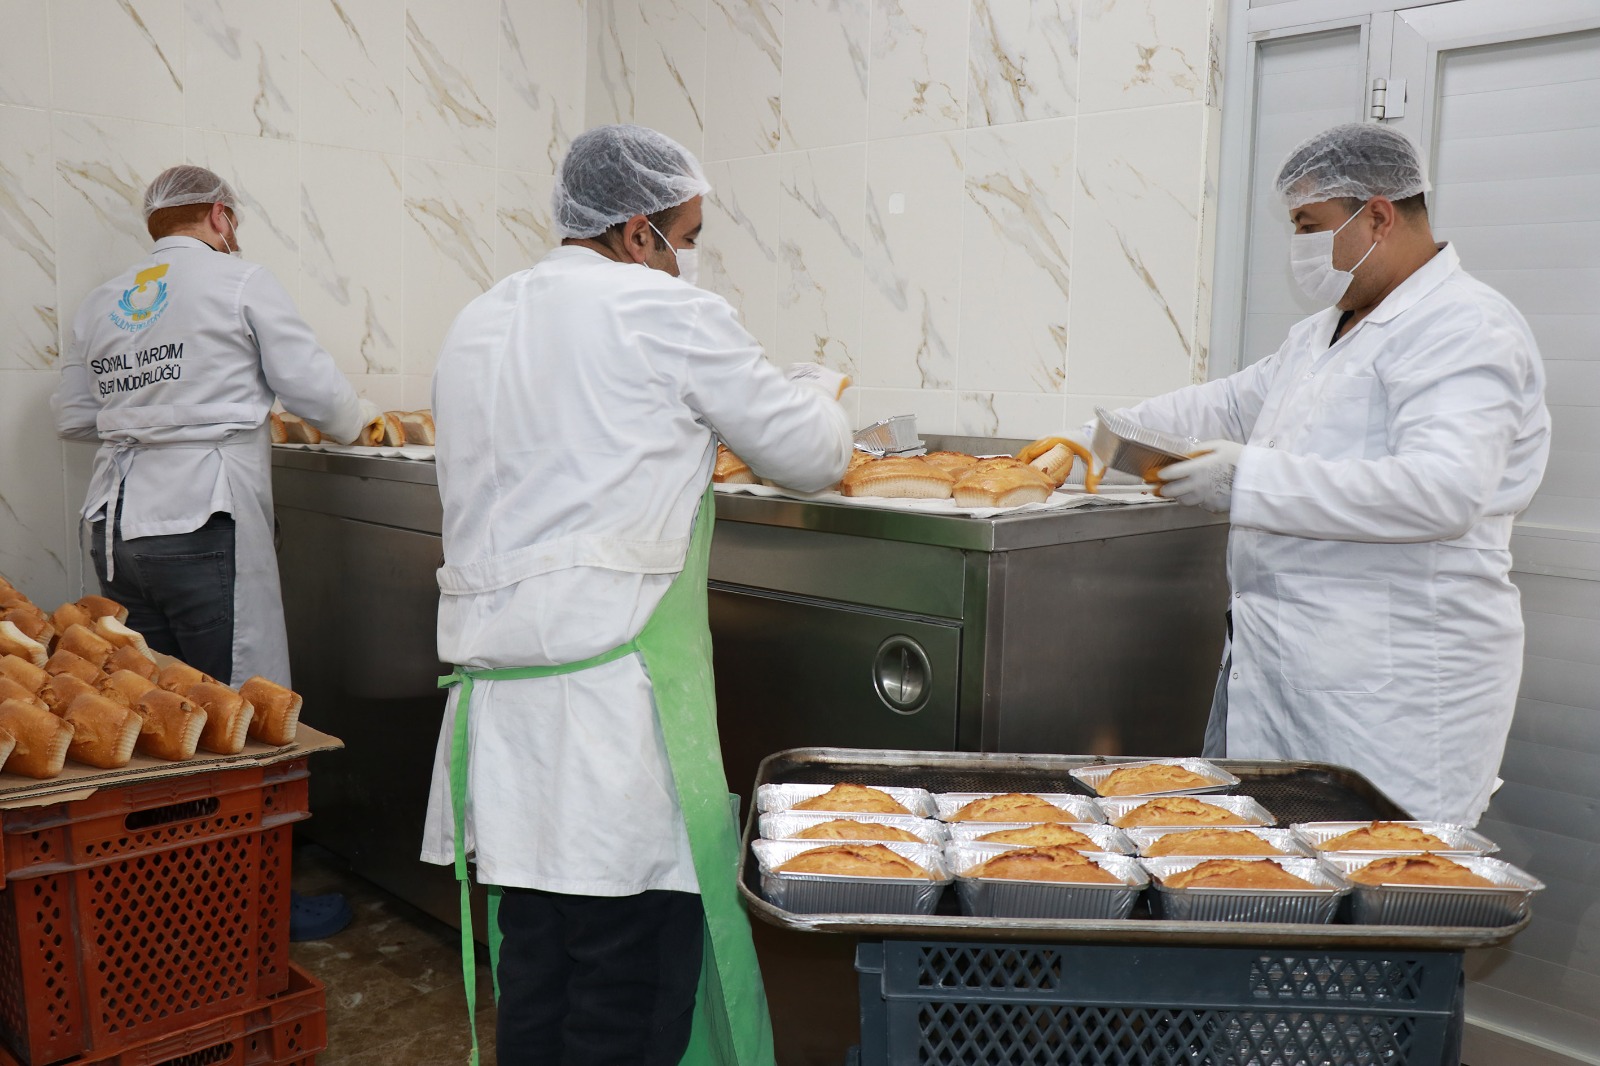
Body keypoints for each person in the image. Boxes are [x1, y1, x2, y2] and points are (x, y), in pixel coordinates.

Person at [419, 124, 852, 1065]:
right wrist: (817, 389)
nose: (685, 260)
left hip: (503, 724)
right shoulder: (665, 314)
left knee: (535, 976)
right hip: (610, 725)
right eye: (685, 237)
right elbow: (812, 457)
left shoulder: (478, 321)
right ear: (634, 230)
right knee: (627, 994)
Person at [1124, 123, 1548, 828]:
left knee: (1383, 890)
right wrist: (1097, 438)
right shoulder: (1325, 331)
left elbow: (1442, 492)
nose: (1299, 248)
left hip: (1390, 702)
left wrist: (1244, 481)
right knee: (1263, 881)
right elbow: (1225, 404)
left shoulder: (1465, 327)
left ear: (1378, 216)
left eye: (1308, 225)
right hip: (1282, 677)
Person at [52, 164, 374, 939]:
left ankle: (172, 899)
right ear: (221, 218)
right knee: (237, 711)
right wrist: (358, 426)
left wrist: (154, 418)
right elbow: (323, 399)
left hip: (117, 526)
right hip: (202, 520)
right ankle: (255, 910)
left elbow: (73, 415)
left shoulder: (102, 301)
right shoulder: (238, 281)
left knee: (160, 716)